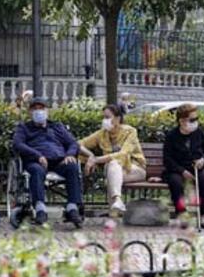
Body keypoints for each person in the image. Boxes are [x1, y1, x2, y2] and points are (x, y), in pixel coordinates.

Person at [12, 97, 83, 226]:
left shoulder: (57, 126)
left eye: (41, 108)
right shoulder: (24, 128)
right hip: (37, 162)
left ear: (47, 111)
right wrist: (37, 155)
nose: (39, 111)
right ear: (29, 112)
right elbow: (18, 144)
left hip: (59, 161)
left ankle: (72, 208)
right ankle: (40, 209)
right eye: (35, 109)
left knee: (72, 166)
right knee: (36, 170)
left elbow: (73, 143)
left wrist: (69, 154)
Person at [79, 104, 146, 215]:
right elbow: (79, 144)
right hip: (113, 170)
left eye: (107, 117)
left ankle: (114, 210)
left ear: (118, 118)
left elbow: (123, 154)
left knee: (112, 169)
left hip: (134, 169)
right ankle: (117, 202)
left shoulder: (130, 132)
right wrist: (90, 156)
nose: (104, 120)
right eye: (103, 117)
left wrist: (96, 160)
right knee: (113, 167)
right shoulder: (102, 134)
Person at [162, 103, 204, 224]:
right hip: (177, 169)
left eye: (196, 118)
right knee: (176, 182)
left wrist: (203, 160)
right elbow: (167, 159)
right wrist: (182, 171)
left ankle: (203, 215)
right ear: (182, 121)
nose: (196, 121)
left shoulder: (198, 133)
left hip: (197, 168)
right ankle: (182, 215)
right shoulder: (171, 136)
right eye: (193, 119)